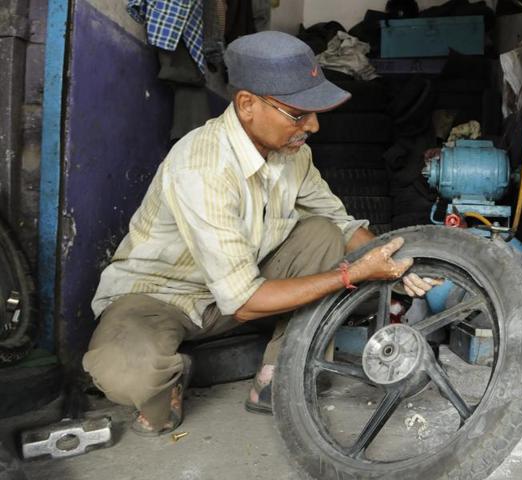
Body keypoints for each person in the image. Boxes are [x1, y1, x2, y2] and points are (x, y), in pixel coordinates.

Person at [82, 31, 436, 436]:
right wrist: (352, 275)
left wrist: (391, 264)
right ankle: (174, 374)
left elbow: (340, 224)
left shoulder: (293, 153)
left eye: (315, 112)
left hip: (240, 288)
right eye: (298, 114)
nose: (314, 126)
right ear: (247, 105)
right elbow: (245, 301)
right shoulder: (204, 167)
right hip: (162, 296)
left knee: (322, 233)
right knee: (126, 375)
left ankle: (277, 373)